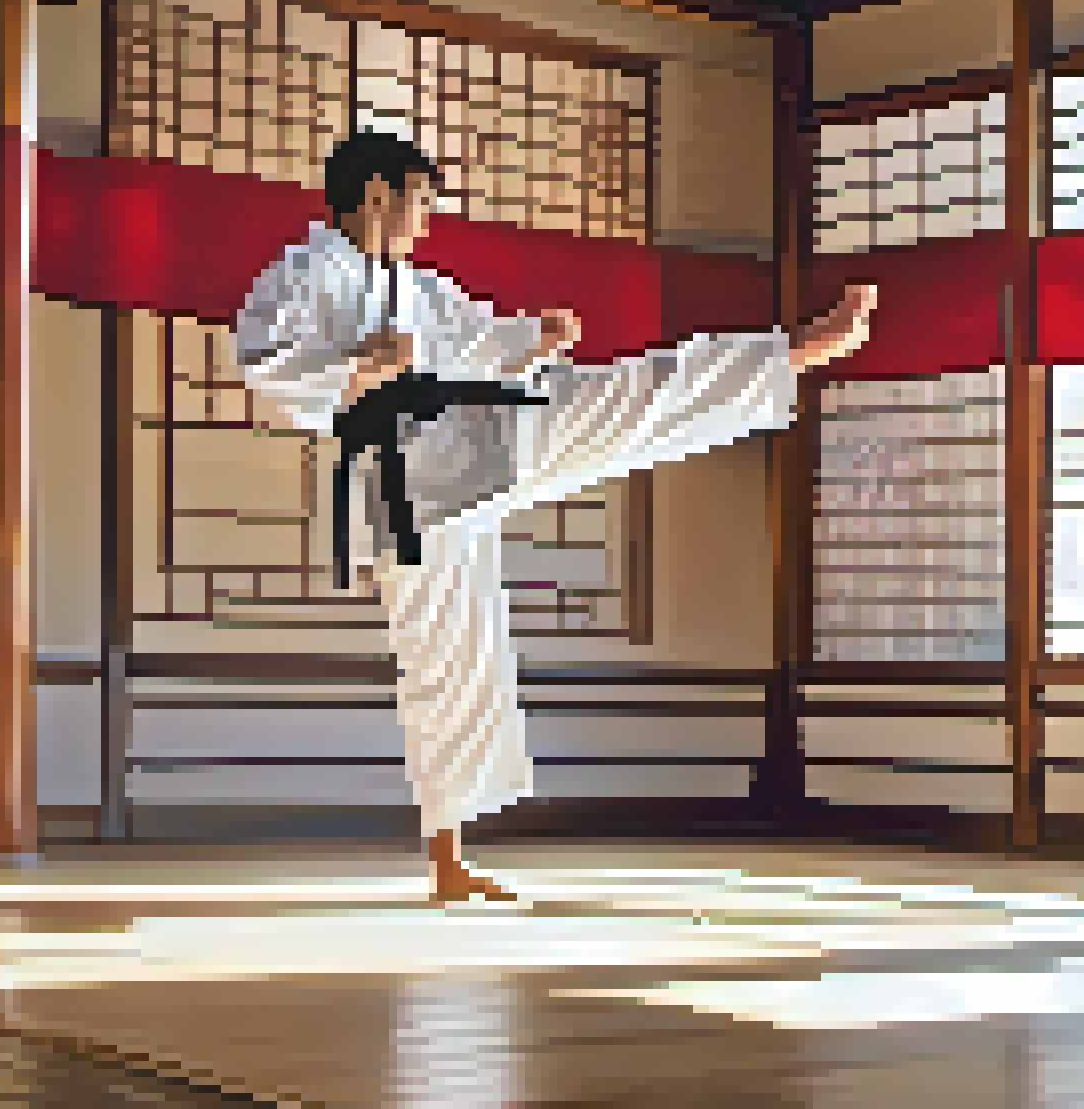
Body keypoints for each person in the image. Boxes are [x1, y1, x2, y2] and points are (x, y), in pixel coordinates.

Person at [235, 131, 872, 904]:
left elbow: (478, 341)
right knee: (449, 662)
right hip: (406, 489)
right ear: (376, 194)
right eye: (421, 202)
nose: (425, 222)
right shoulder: (302, 275)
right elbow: (268, 361)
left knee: (625, 397)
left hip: (478, 441)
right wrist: (362, 369)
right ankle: (447, 857)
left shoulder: (416, 287)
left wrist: (530, 337)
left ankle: (793, 353)